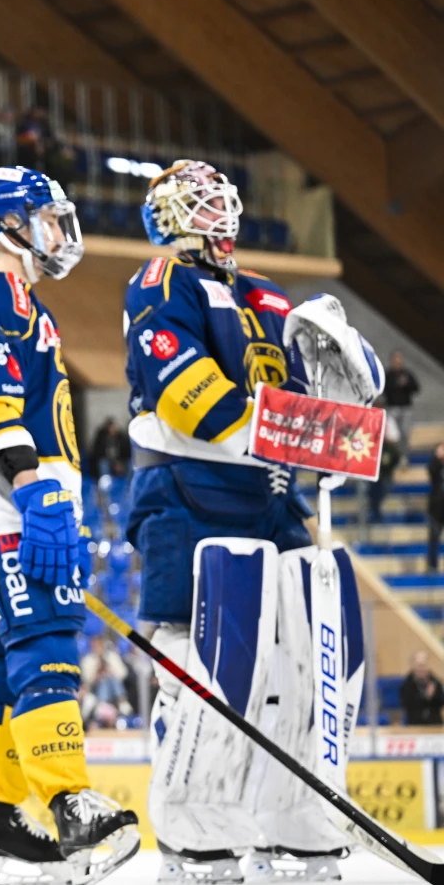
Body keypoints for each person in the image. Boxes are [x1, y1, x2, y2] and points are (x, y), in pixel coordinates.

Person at [123, 160, 382, 882]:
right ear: (170, 214)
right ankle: (193, 831)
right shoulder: (161, 283)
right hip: (186, 492)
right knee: (202, 663)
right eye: (202, 203)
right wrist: (292, 431)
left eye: (224, 201)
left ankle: (295, 818)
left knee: (307, 652)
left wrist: (338, 409)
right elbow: (188, 397)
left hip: (272, 494)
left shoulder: (267, 295)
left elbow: (310, 399)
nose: (220, 214)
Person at [0, 166, 138, 885]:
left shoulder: (22, 299)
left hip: (3, 498)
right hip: (5, 497)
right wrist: (34, 490)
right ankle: (68, 800)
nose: (58, 230)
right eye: (46, 217)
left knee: (3, 663)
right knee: (42, 638)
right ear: (9, 224)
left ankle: (1, 826)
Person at [385, 350, 420, 456]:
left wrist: (407, 384)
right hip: (391, 408)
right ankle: (391, 457)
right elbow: (383, 390)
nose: (398, 361)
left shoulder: (407, 374)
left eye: (400, 359)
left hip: (405, 408)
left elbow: (416, 388)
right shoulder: (387, 374)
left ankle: (404, 457)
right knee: (392, 435)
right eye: (396, 359)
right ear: (392, 360)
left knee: (405, 433)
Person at [400, 651, 444, 726]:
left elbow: (441, 703)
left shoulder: (435, 682)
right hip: (415, 724)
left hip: (435, 723)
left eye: (424, 665)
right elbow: (407, 705)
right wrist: (425, 697)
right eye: (419, 665)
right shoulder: (407, 684)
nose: (422, 669)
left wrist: (433, 696)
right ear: (413, 666)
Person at [428, 444, 444, 571]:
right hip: (436, 508)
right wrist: (437, 458)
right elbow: (432, 471)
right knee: (434, 537)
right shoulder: (435, 465)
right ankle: (432, 565)